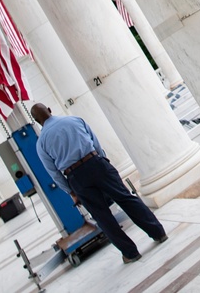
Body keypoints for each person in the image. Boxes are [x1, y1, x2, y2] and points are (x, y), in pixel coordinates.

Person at [31, 103, 167, 264]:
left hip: (75, 176)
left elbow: (53, 172)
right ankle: (158, 233)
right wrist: (102, 161)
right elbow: (95, 143)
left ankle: (130, 253)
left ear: (37, 121)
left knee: (102, 216)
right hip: (96, 162)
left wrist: (71, 192)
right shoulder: (74, 120)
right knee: (126, 198)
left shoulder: (41, 144)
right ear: (49, 109)